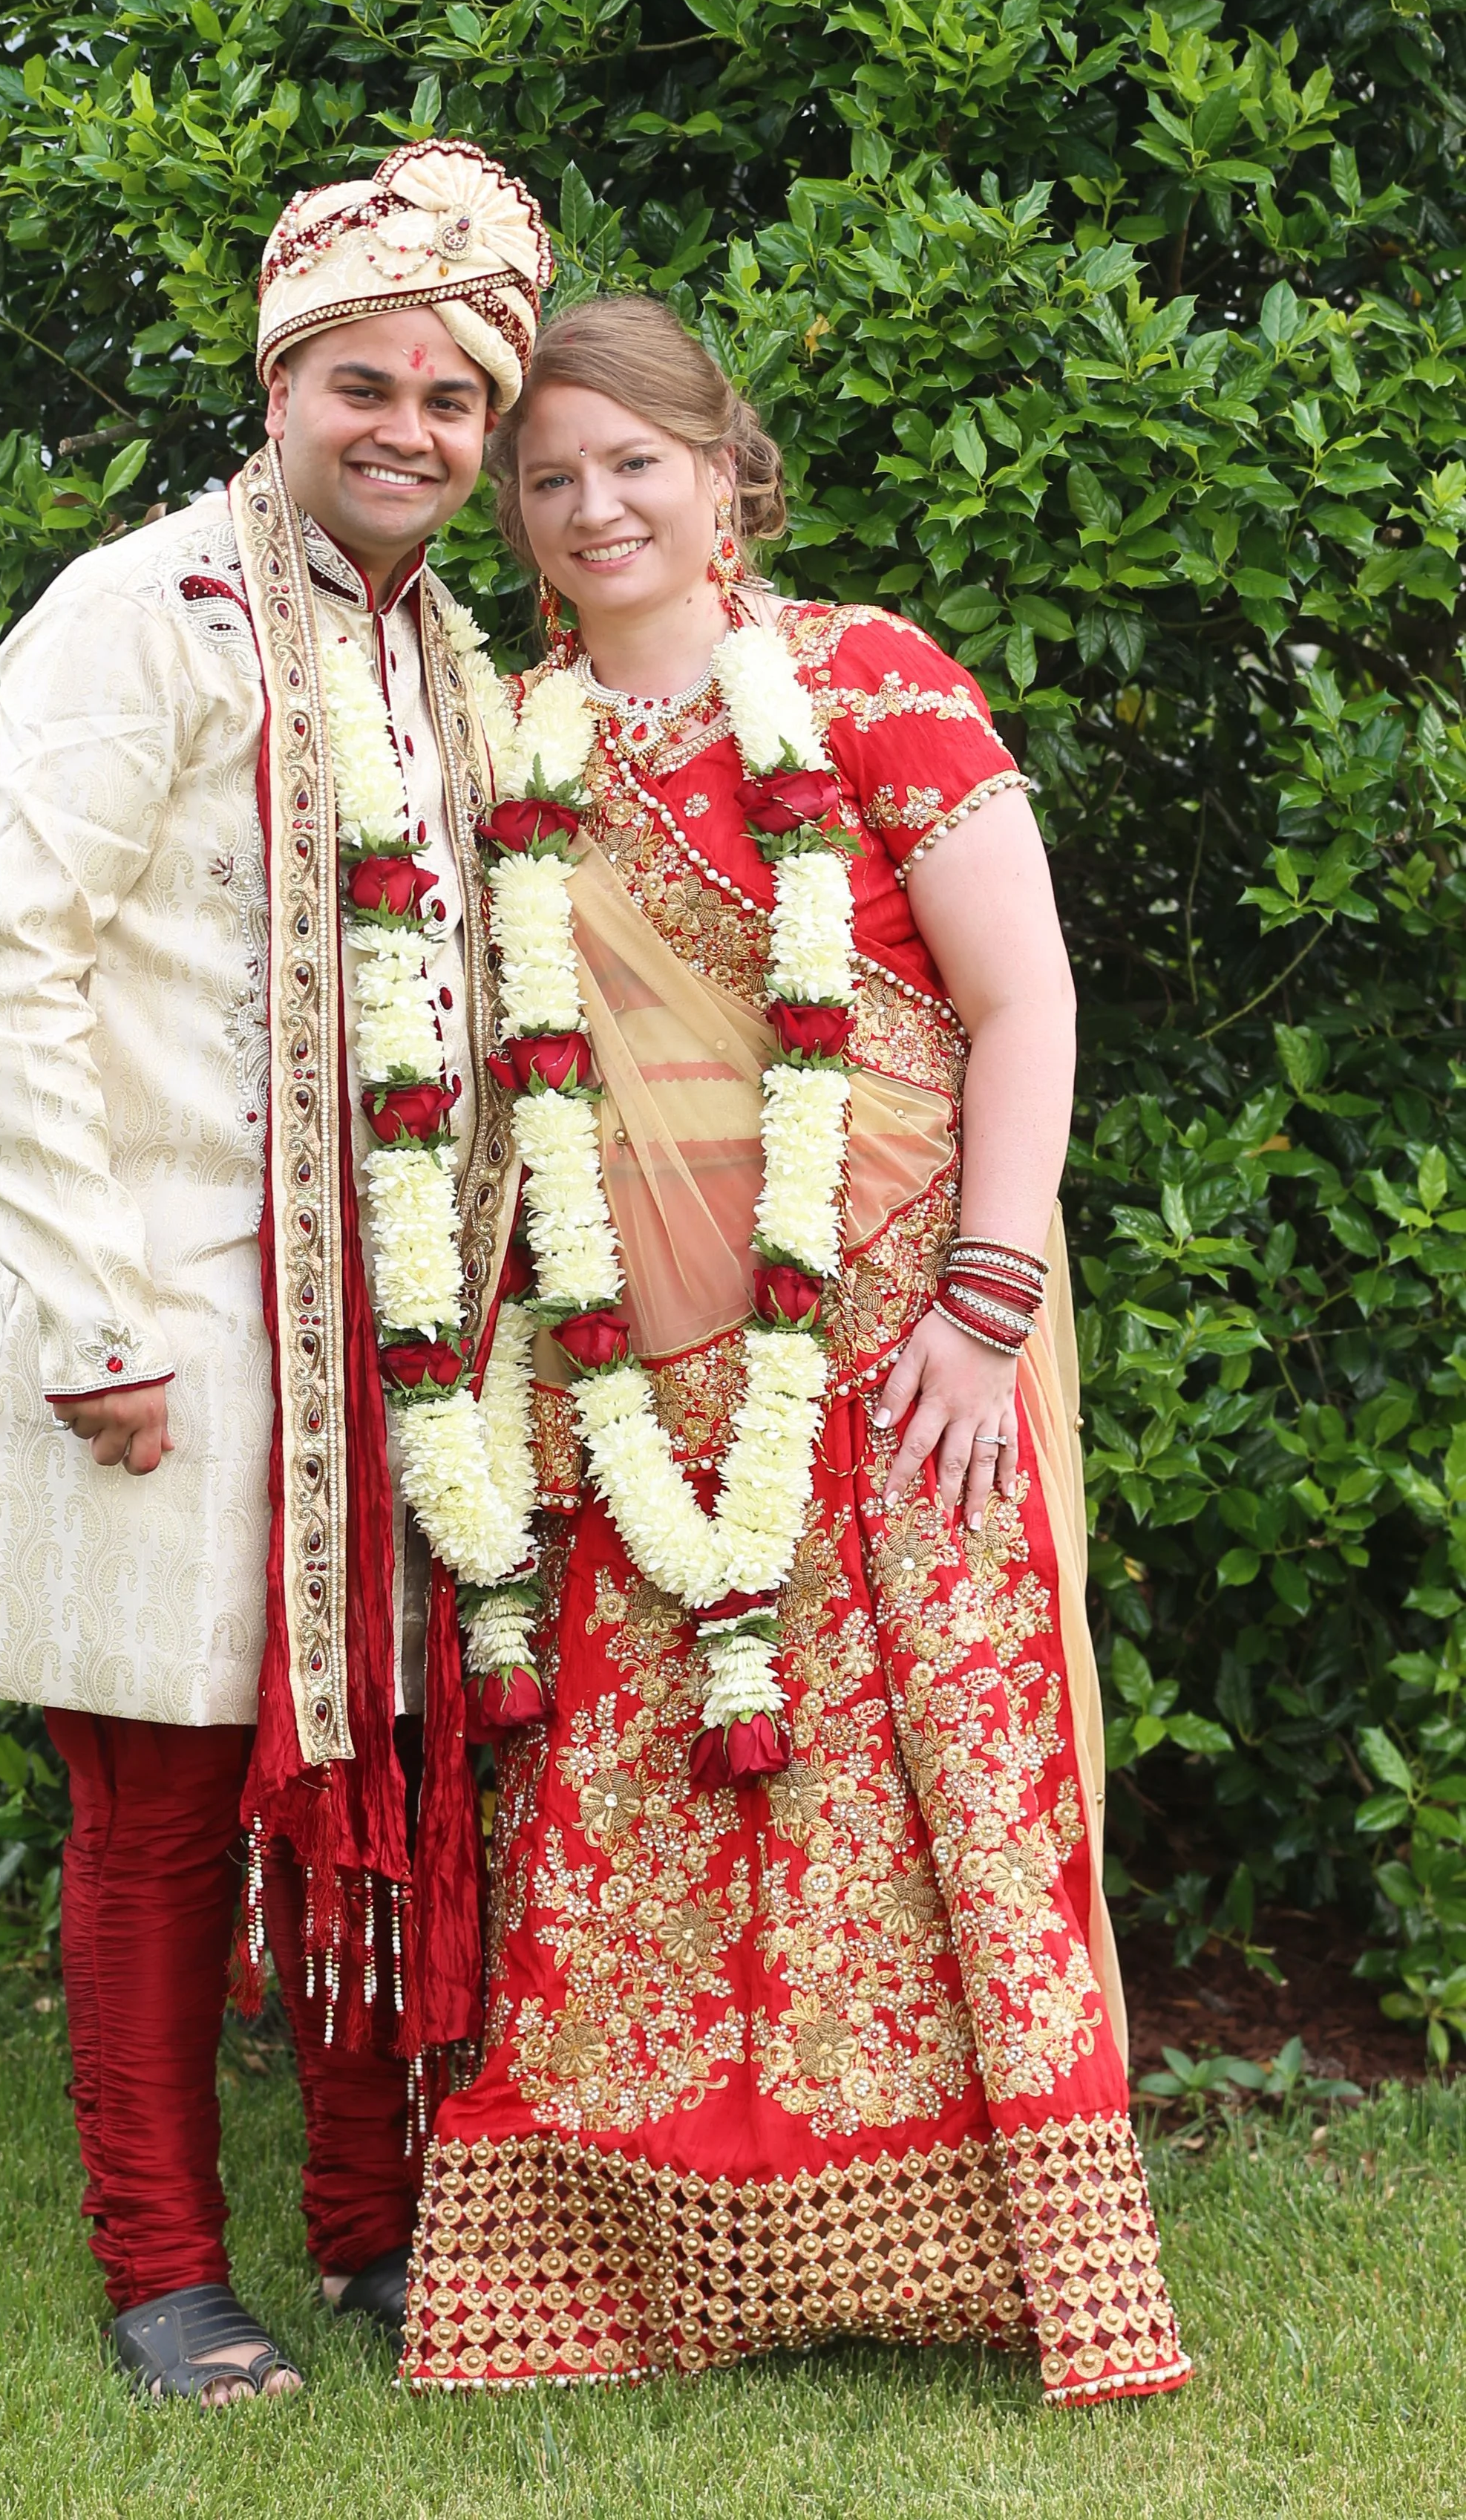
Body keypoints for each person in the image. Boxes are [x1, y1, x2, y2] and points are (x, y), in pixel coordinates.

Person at [399, 296, 1192, 2409]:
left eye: (628, 462)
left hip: (914, 1332)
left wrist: (986, 1299)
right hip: (639, 1370)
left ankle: (1017, 2263)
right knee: (665, 1816)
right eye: (547, 478)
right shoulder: (511, 741)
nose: (589, 506)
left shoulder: (866, 680)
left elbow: (1022, 1000)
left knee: (953, 1793)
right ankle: (622, 2264)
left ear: (723, 467)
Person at [0, 141, 550, 2402]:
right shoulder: (143, 610)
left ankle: (375, 2233)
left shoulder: (448, 656)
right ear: (279, 382)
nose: (408, 428)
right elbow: (12, 969)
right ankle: (163, 2268)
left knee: (381, 1774)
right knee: (169, 1802)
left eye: (452, 399)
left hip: (394, 1339)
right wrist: (91, 1307)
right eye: (362, 381)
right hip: (167, 1315)